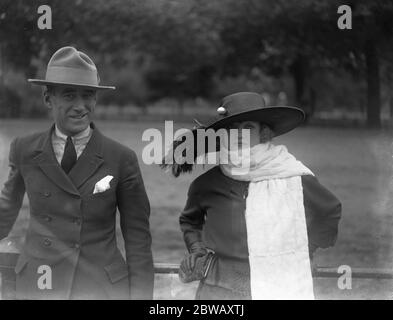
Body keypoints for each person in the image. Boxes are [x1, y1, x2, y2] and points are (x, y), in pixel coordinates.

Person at [0, 46, 154, 299]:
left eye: (88, 95)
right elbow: (6, 211)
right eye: (69, 95)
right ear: (48, 98)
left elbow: (138, 239)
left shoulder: (121, 158)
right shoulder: (24, 149)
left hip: (100, 289)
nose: (81, 106)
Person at [165, 92, 341, 299]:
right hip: (220, 286)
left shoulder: (292, 174)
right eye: (233, 128)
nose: (240, 134)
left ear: (263, 133)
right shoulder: (207, 184)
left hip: (278, 281)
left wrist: (305, 250)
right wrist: (197, 249)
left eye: (248, 127)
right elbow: (189, 220)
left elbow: (329, 210)